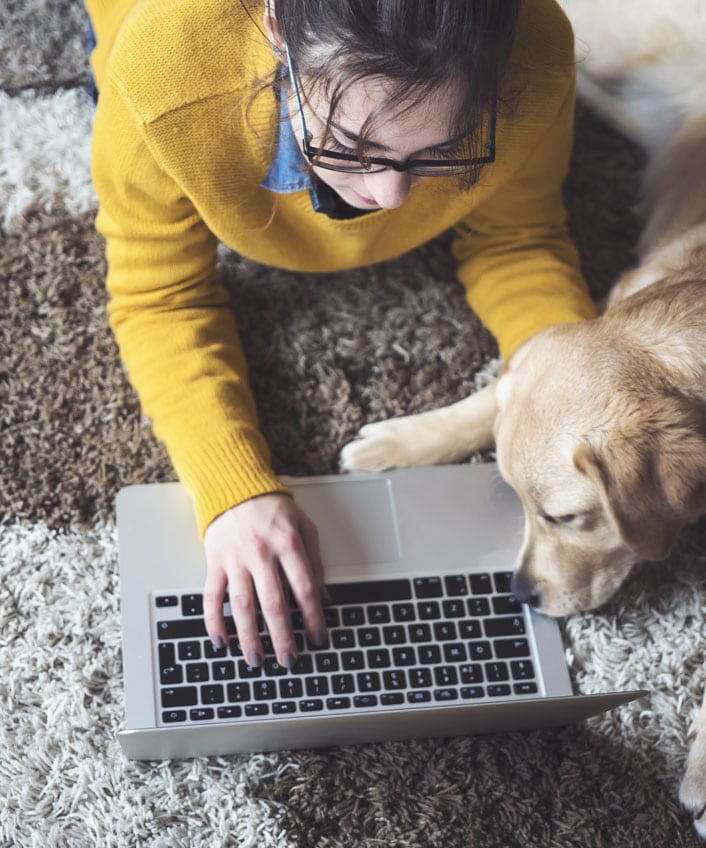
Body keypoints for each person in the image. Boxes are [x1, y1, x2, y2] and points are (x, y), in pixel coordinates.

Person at [86, 0, 596, 673]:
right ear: (275, 31)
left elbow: (518, 238)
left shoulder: (534, 52)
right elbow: (159, 294)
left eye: (444, 149)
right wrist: (234, 493)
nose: (390, 196)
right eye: (354, 147)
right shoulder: (164, 71)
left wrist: (577, 399)